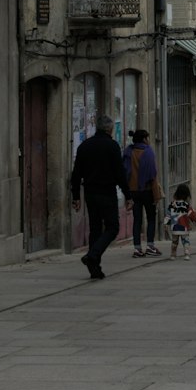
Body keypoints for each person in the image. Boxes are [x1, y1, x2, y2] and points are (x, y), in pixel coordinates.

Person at [71, 114, 127, 279]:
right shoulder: (112, 146)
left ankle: (95, 268)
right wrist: (128, 195)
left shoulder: (84, 146)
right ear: (110, 129)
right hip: (107, 192)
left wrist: (76, 196)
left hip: (90, 193)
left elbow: (76, 174)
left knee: (95, 228)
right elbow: (120, 173)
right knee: (112, 227)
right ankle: (93, 255)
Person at [122, 128, 161, 257]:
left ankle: (137, 249)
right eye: (147, 138)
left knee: (137, 219)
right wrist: (156, 195)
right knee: (151, 218)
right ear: (144, 139)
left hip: (133, 191)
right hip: (147, 190)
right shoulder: (148, 152)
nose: (149, 141)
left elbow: (125, 172)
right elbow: (153, 175)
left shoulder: (129, 151)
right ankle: (150, 246)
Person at [166, 182, 196, 260]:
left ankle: (173, 255)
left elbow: (168, 215)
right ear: (187, 195)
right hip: (184, 227)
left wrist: (166, 224)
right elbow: (192, 214)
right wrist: (195, 220)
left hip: (174, 227)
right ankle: (186, 254)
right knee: (185, 241)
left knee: (174, 242)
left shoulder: (172, 204)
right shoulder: (187, 205)